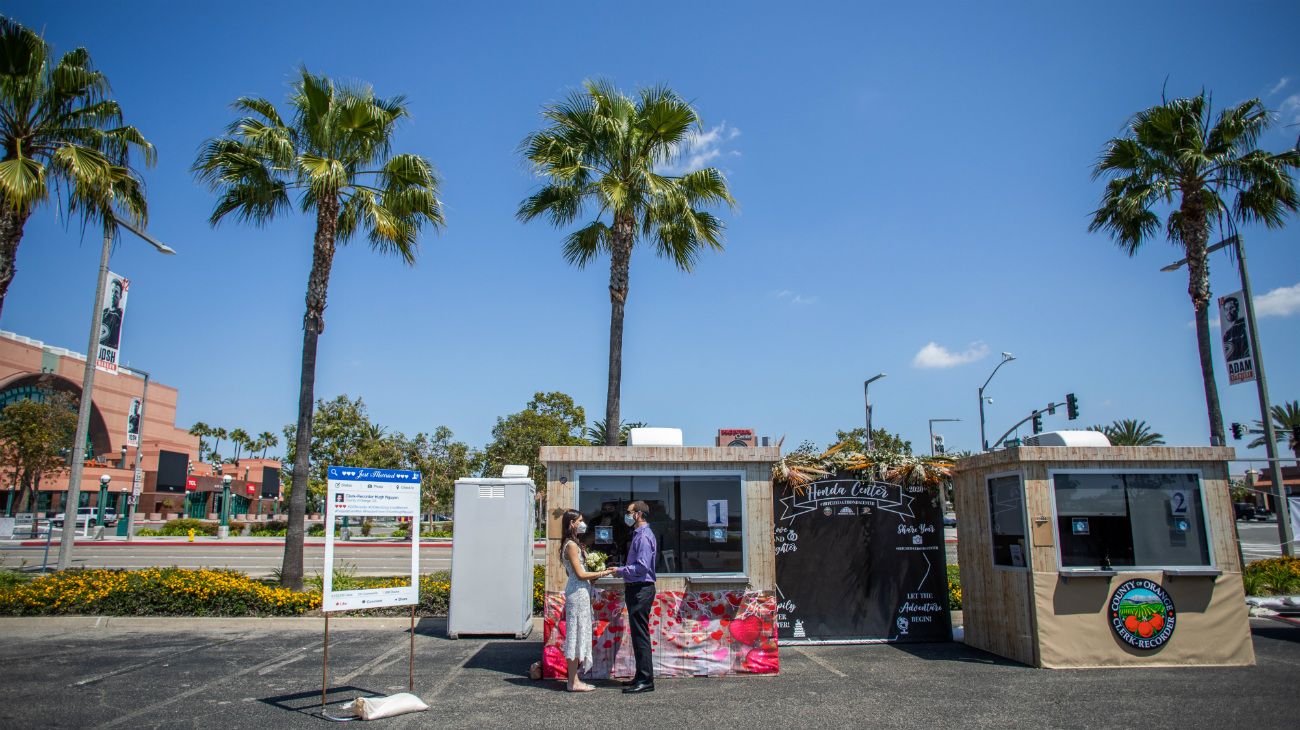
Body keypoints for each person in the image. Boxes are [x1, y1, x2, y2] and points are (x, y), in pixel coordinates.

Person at [560, 509, 617, 692]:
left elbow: (572, 573)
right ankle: (572, 681)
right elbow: (579, 573)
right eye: (580, 521)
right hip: (577, 593)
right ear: (572, 523)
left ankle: (574, 679)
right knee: (575, 636)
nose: (583, 524)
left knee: (578, 634)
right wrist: (603, 572)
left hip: (580, 591)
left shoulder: (573, 543)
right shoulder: (571, 545)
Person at [611, 500, 657, 694]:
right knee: (639, 634)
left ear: (638, 514)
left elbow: (641, 567)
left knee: (641, 636)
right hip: (636, 588)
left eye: (629, 513)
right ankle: (640, 676)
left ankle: (646, 680)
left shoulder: (644, 537)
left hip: (641, 588)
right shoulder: (638, 535)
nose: (627, 516)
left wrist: (619, 570)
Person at [1221, 295, 1248, 361]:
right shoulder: (1226, 335)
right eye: (1226, 309)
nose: (1229, 312)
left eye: (1231, 308)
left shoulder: (1244, 325)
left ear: (1237, 308)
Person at [99, 278, 124, 349]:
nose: (113, 294)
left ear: (120, 296)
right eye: (112, 291)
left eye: (116, 292)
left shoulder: (120, 315)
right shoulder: (103, 313)